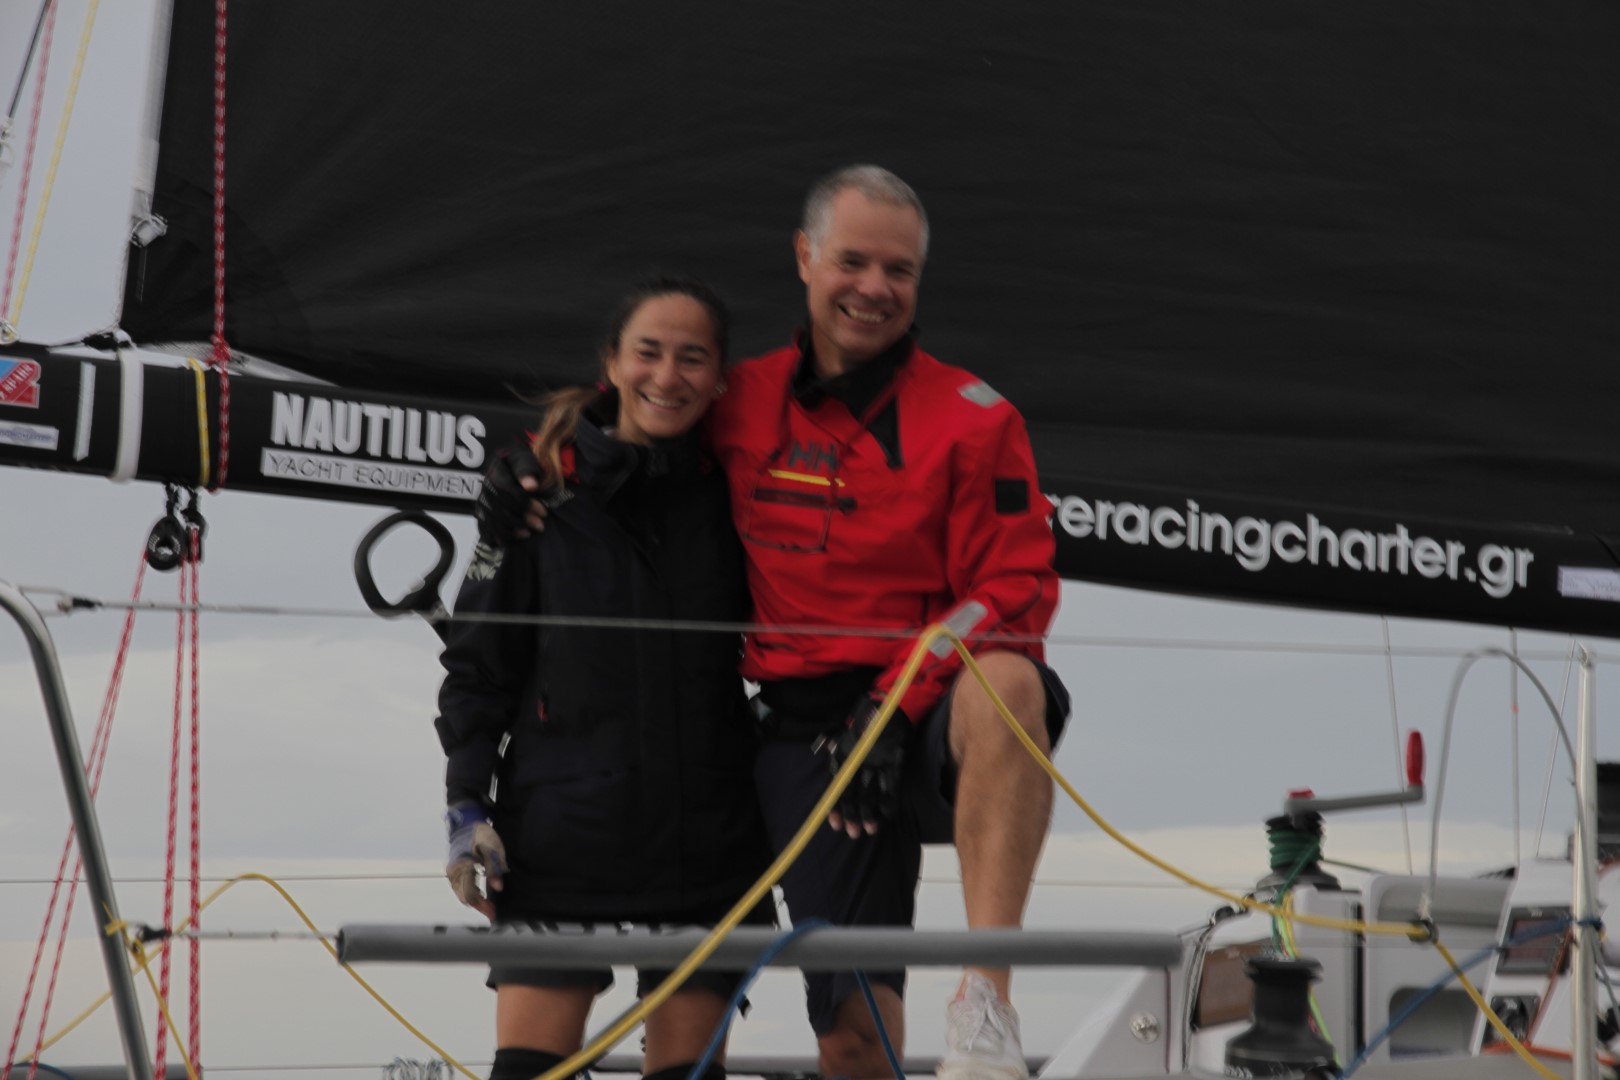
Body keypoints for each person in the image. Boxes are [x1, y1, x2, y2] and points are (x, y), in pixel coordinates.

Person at [478, 167, 1068, 1080]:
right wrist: (523, 465)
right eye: (853, 261)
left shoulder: (974, 418)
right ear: (804, 258)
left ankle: (985, 1004)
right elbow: (632, 415)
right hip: (802, 731)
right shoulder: (740, 397)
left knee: (1013, 679)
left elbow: (1014, 587)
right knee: (853, 1038)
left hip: (929, 714)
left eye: (900, 271)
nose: (874, 288)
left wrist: (893, 706)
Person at [434, 276, 774, 1080]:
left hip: (708, 838)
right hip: (562, 835)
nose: (668, 376)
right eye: (648, 352)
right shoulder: (533, 496)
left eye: (693, 358)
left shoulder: (741, 497)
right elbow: (479, 666)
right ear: (612, 364)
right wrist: (465, 805)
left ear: (721, 381)